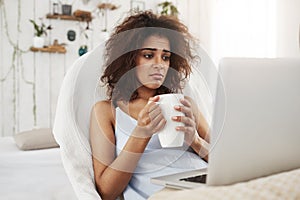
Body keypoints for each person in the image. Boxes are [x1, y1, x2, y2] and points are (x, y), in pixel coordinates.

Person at [89, 10, 210, 200]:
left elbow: (225, 163)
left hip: (208, 183)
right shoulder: (107, 112)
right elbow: (106, 192)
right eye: (148, 55)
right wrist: (140, 134)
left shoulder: (185, 104)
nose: (159, 64)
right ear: (129, 59)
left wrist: (195, 141)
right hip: (164, 194)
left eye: (165, 57)